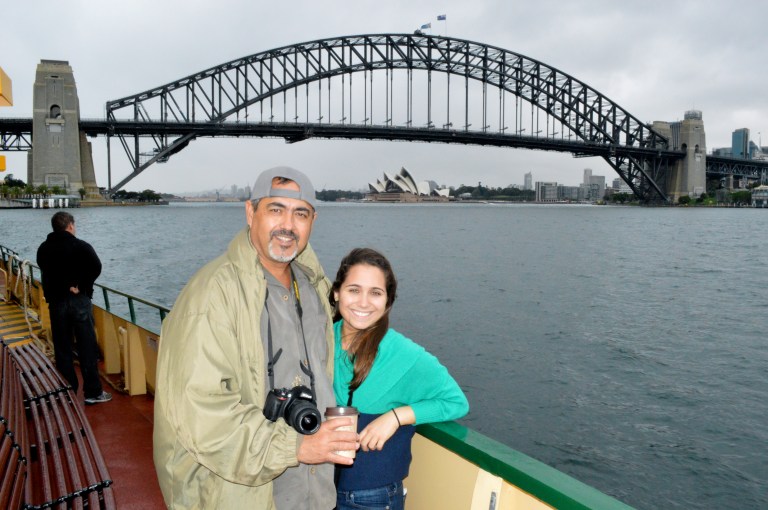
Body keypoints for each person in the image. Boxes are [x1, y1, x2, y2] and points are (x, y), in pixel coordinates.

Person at [153, 166, 359, 509]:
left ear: (313, 221)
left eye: (300, 213)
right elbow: (202, 413)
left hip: (310, 492)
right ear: (251, 213)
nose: (288, 226)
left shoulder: (313, 289)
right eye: (275, 209)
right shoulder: (212, 296)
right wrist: (294, 448)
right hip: (235, 495)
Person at [330, 248, 469, 510]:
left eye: (375, 293)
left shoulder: (404, 354)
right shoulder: (320, 339)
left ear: (388, 301)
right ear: (337, 293)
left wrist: (396, 417)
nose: (363, 302)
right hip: (319, 489)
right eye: (354, 290)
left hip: (372, 496)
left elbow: (456, 402)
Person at [36, 211, 111, 405]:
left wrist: (63, 286)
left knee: (63, 349)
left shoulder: (44, 249)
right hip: (79, 302)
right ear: (70, 225)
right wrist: (81, 285)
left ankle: (68, 392)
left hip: (57, 303)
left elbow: (47, 273)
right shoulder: (81, 246)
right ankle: (93, 392)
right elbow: (96, 266)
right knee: (87, 347)